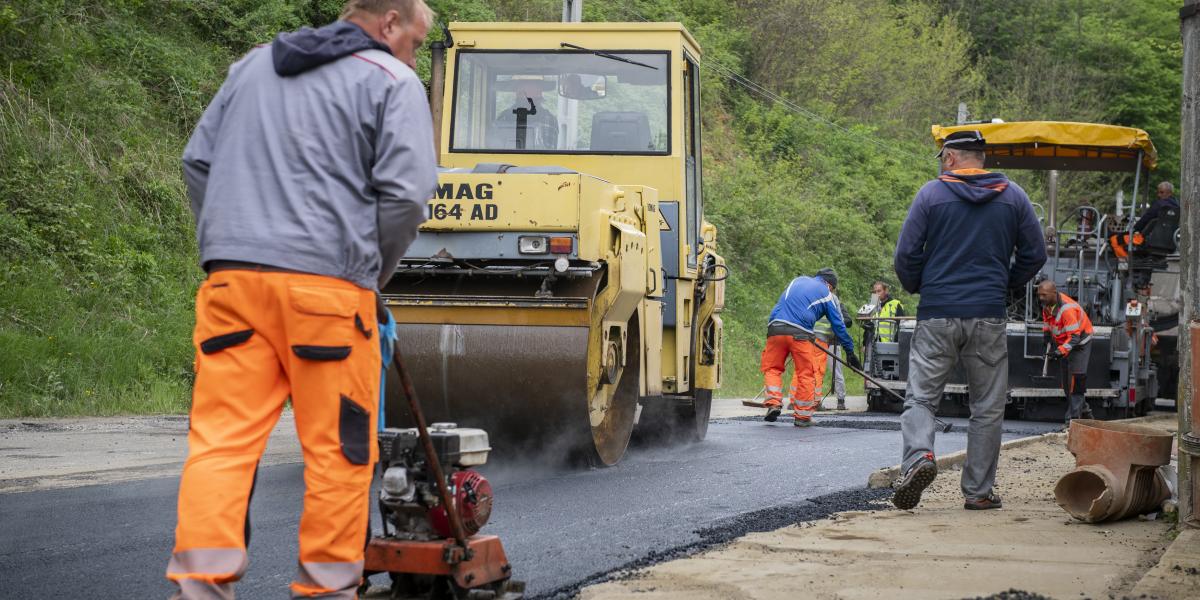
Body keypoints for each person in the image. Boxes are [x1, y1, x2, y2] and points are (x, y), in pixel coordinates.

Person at [169, 1, 438, 598]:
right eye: (416, 41)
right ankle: (325, 591)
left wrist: (230, 244)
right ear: (389, 24)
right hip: (328, 294)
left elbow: (197, 162)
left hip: (232, 289)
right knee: (338, 454)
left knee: (221, 446)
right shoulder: (393, 82)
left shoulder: (252, 67)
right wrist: (371, 275)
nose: (415, 56)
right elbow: (406, 196)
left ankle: (198, 589)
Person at [891, 130, 1047, 511]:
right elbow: (1036, 253)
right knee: (988, 407)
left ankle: (918, 459)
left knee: (922, 399)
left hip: (937, 315)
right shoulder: (1014, 197)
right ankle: (978, 491)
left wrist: (922, 286)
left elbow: (906, 255)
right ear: (981, 158)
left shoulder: (930, 195)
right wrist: (1006, 285)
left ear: (949, 158)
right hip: (988, 315)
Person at [761, 268, 861, 427]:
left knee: (772, 368)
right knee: (805, 373)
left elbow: (784, 303)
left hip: (775, 327)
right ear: (830, 285)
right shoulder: (826, 294)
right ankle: (802, 416)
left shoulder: (797, 280)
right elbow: (838, 326)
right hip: (800, 334)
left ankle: (773, 403)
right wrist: (849, 351)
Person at [1037, 280, 1094, 424]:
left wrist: (1059, 351)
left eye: (1044, 295)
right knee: (1067, 385)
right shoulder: (1047, 305)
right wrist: (1046, 335)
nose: (1041, 298)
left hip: (1080, 344)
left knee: (1076, 382)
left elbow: (1075, 338)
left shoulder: (1067, 310)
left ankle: (1072, 422)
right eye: (1039, 295)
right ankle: (1087, 414)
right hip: (1065, 343)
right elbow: (1047, 321)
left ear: (1054, 293)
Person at [491, 78, 559, 150]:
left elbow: (548, 154)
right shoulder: (503, 117)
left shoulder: (548, 119)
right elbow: (494, 149)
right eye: (521, 90)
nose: (521, 93)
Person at [813, 297, 852, 410]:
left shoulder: (838, 304)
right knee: (816, 370)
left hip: (833, 343)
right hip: (819, 341)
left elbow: (848, 321)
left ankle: (841, 400)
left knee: (837, 372)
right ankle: (814, 399)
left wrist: (837, 322)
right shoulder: (818, 304)